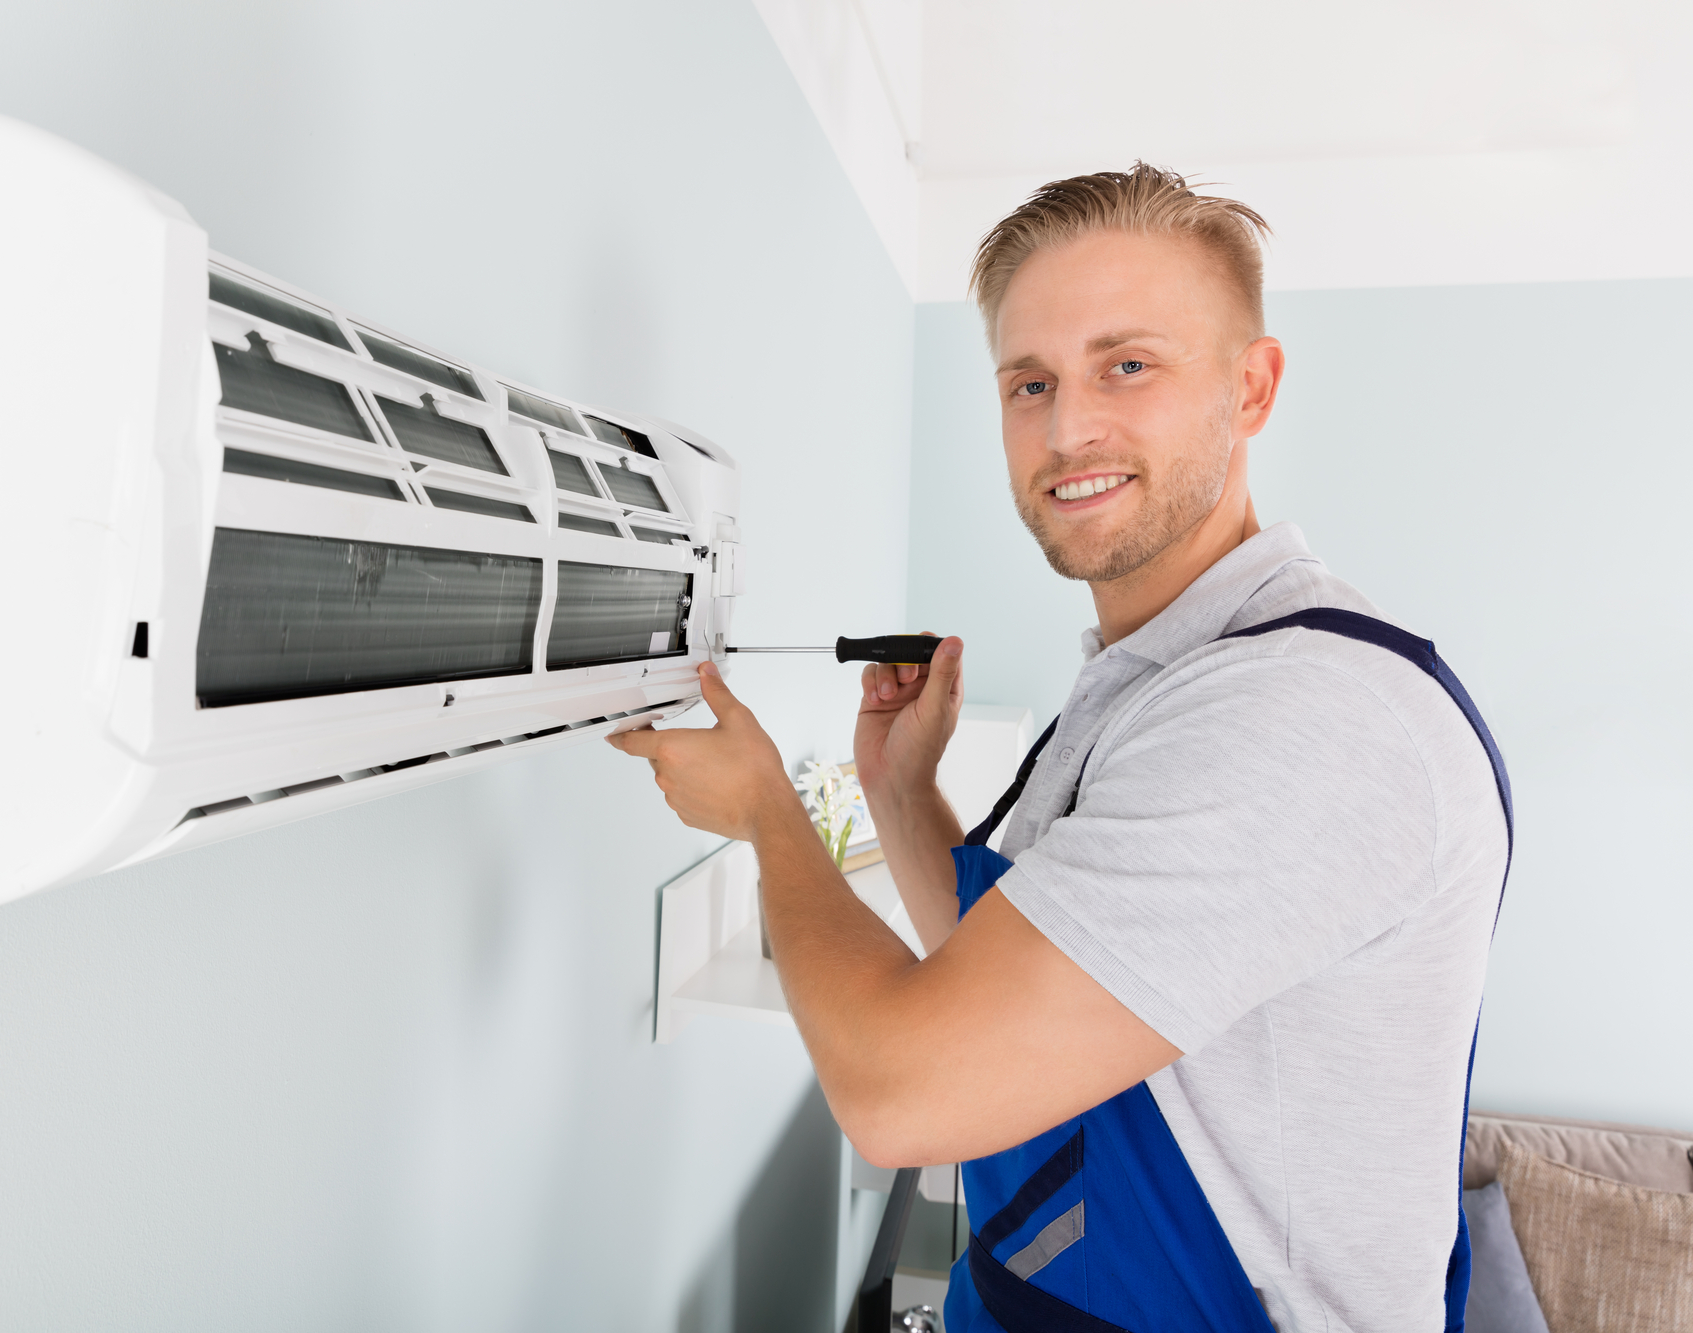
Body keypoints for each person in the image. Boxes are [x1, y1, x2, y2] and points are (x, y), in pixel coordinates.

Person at [608, 164, 1510, 1333]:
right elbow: (1015, 990)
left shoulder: (1302, 716)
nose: (1066, 426)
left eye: (1124, 365)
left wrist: (767, 813)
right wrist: (896, 787)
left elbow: (902, 1091)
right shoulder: (1150, 679)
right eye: (1026, 382)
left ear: (1250, 387)